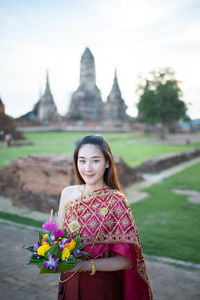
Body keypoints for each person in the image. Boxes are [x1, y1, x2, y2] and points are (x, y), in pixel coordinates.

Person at [57, 135, 152, 300]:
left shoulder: (117, 201)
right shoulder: (68, 193)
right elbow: (59, 238)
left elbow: (127, 260)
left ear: (107, 163)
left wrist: (85, 265)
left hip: (100, 288)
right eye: (82, 161)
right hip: (68, 283)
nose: (88, 168)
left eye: (95, 160)